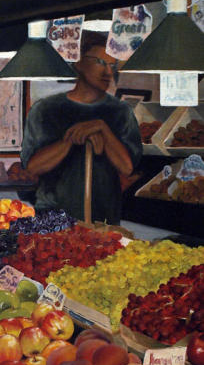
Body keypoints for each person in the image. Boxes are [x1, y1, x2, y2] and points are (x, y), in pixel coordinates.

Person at [20, 31, 142, 224]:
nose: (108, 72)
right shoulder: (45, 109)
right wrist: (71, 140)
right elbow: (33, 166)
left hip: (104, 218)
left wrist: (101, 128)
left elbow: (127, 167)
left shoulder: (121, 111)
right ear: (78, 62)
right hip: (53, 217)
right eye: (100, 62)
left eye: (112, 65)